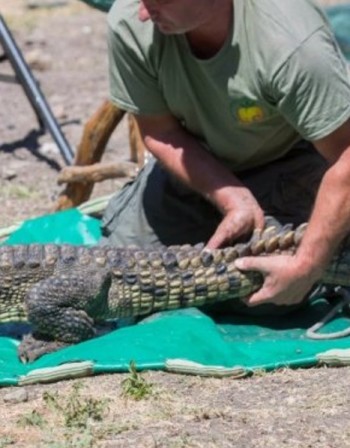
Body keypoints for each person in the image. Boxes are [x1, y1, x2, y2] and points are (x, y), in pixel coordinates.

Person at [101, 0, 350, 312]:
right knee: (111, 278)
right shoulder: (131, 21)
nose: (141, 11)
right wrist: (231, 197)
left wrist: (307, 265)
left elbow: (346, 158)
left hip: (291, 159)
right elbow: (160, 130)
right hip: (196, 163)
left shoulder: (293, 46)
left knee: (268, 290)